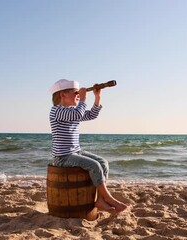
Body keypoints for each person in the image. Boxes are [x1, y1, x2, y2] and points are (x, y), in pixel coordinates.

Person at [49, 79, 128, 213]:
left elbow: (92, 115)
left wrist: (97, 97)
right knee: (94, 165)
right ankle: (109, 198)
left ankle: (100, 200)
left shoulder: (71, 112)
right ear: (62, 95)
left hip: (75, 152)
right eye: (75, 93)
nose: (78, 96)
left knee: (103, 162)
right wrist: (83, 99)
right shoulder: (57, 111)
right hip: (63, 157)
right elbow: (78, 114)